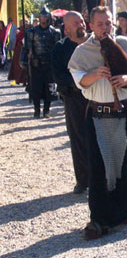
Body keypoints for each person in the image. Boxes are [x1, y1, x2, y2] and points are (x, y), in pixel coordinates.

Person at [68, 6, 127, 240]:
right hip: (97, 115)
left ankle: (124, 211)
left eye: (108, 23)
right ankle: (99, 219)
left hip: (124, 114)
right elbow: (78, 79)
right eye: (100, 24)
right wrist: (96, 74)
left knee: (126, 165)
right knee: (99, 169)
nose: (106, 27)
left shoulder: (124, 43)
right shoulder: (83, 51)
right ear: (91, 25)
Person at [51, 11, 90, 194]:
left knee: (99, 137)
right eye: (76, 22)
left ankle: (101, 179)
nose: (81, 24)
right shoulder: (60, 48)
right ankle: (82, 180)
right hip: (74, 99)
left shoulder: (94, 44)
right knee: (78, 138)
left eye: (82, 21)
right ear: (67, 28)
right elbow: (58, 75)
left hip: (96, 97)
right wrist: (80, 80)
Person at [21, 6, 62, 118]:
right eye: (42, 16)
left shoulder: (55, 32)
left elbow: (58, 50)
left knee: (49, 88)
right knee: (36, 89)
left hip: (49, 65)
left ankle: (46, 110)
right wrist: (24, 61)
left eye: (46, 16)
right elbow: (25, 48)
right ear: (39, 17)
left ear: (49, 17)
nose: (43, 18)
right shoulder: (32, 32)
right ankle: (36, 110)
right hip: (35, 64)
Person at [8, 19, 27, 85]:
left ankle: (25, 81)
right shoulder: (18, 29)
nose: (22, 23)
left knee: (24, 65)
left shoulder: (28, 30)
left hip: (24, 49)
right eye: (21, 22)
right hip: (18, 49)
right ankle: (18, 79)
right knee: (17, 65)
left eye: (23, 22)